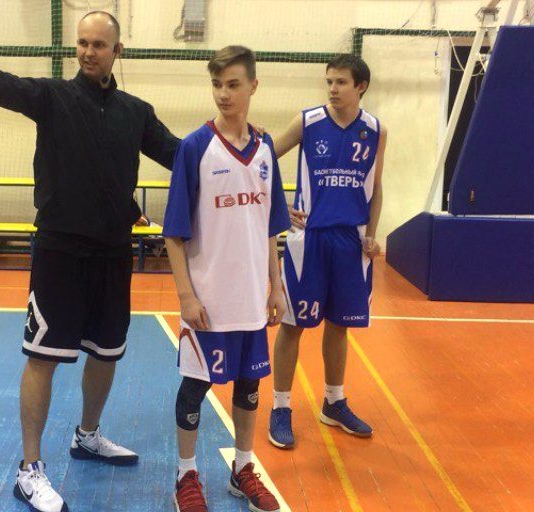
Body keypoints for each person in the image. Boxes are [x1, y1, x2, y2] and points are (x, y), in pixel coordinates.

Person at [0, 11, 180, 512]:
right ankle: (29, 469)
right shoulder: (52, 97)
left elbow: (181, 155)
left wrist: (237, 143)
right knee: (42, 357)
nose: (88, 52)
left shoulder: (136, 112)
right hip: (60, 252)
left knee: (106, 352)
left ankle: (87, 436)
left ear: (117, 51)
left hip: (112, 253)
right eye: (82, 43)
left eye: (99, 44)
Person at [162, 45, 290, 512]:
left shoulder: (266, 150)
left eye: (233, 84)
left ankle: (243, 468)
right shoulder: (195, 147)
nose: (223, 93)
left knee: (249, 388)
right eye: (217, 84)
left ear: (253, 86)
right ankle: (186, 475)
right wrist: (186, 295)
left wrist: (276, 286)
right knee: (194, 389)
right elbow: (174, 233)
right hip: (208, 302)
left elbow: (271, 227)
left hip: (251, 300)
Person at [267, 54, 388, 449]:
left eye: (341, 82)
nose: (333, 89)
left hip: (351, 242)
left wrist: (372, 234)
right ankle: (280, 407)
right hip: (310, 239)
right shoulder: (308, 121)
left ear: (360, 86)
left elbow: (376, 187)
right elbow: (263, 159)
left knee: (340, 324)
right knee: (292, 324)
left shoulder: (375, 130)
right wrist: (279, 207)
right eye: (329, 82)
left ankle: (334, 403)